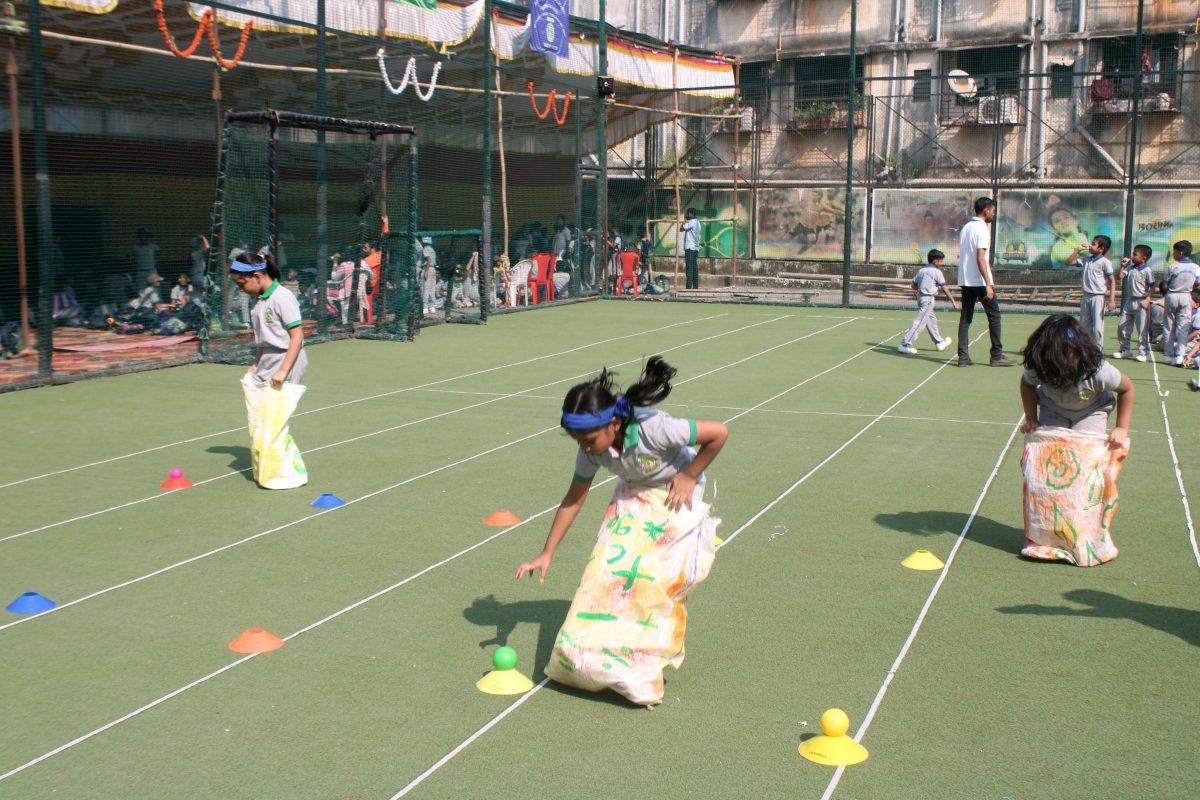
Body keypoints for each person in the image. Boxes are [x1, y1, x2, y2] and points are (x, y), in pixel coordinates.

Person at [515, 356, 728, 707]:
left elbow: (718, 433)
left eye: (589, 440)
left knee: (651, 579)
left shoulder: (653, 429)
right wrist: (547, 552)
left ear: (613, 423)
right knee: (605, 572)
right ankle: (599, 661)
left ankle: (645, 666)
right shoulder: (591, 450)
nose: (584, 448)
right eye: (578, 441)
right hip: (633, 491)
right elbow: (573, 499)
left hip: (676, 492)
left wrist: (689, 476)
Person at [1019, 314, 1133, 446]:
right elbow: (1027, 385)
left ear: (1079, 351)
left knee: (1084, 449)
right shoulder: (1040, 365)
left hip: (1091, 411)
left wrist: (1121, 428)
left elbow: (1127, 389)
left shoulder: (1099, 371)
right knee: (1050, 448)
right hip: (1053, 409)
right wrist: (1031, 418)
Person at [230, 251, 306, 387]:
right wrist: (256, 364)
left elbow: (297, 336)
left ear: (257, 276)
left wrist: (283, 371)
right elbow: (264, 340)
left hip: (287, 361)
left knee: (277, 402)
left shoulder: (282, 297)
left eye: (242, 284)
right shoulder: (257, 302)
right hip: (267, 362)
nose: (241, 289)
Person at [956, 197, 1015, 367]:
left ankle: (963, 357)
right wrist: (988, 284)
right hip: (980, 281)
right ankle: (996, 355)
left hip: (966, 280)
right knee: (994, 315)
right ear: (986, 210)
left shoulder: (966, 227)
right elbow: (980, 258)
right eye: (993, 211)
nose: (994, 214)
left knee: (966, 318)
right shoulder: (981, 229)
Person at [898, 249, 958, 354]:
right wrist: (953, 301)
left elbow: (913, 285)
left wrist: (923, 287)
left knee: (931, 320)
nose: (941, 263)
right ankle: (904, 344)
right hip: (928, 299)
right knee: (919, 322)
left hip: (920, 298)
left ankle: (939, 342)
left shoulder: (921, 271)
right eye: (940, 260)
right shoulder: (937, 272)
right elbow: (944, 287)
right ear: (935, 261)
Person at [1067, 234, 1116, 345]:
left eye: (1093, 244)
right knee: (1083, 326)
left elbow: (1113, 280)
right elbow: (1069, 262)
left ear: (1101, 249)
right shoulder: (1086, 260)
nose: (1090, 245)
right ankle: (1085, 349)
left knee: (1098, 328)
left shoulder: (1105, 262)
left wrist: (1112, 300)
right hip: (1086, 297)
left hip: (1098, 298)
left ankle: (1098, 350)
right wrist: (1077, 250)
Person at [1113, 244, 1154, 362]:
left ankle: (1143, 353)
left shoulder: (1147, 271)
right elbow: (1120, 276)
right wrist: (1122, 266)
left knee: (1142, 329)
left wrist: (1147, 299)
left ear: (1143, 258)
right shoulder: (1130, 268)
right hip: (1129, 301)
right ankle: (1125, 349)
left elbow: (1152, 286)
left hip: (1142, 302)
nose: (1132, 256)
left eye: (1135, 254)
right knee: (1122, 326)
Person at [1162, 240, 1199, 366]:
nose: (1173, 254)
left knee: (1169, 326)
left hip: (1172, 295)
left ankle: (1168, 355)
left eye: (1175, 252)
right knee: (1183, 327)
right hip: (1186, 296)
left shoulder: (1173, 266)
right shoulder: (1196, 267)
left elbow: (1165, 283)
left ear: (1181, 252)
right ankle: (1180, 355)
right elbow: (1197, 285)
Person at [681, 208, 702, 290]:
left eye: (687, 213)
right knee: (694, 267)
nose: (686, 215)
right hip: (695, 248)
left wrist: (684, 221)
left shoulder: (692, 222)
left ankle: (688, 286)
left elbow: (681, 229)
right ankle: (695, 286)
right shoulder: (698, 222)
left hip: (690, 247)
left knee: (689, 267)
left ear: (691, 214)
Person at [420, 236, 439, 317]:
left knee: (426, 289)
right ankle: (432, 307)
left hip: (427, 268)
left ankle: (425, 307)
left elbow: (429, 260)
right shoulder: (432, 249)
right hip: (433, 269)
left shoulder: (426, 248)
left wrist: (426, 271)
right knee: (432, 289)